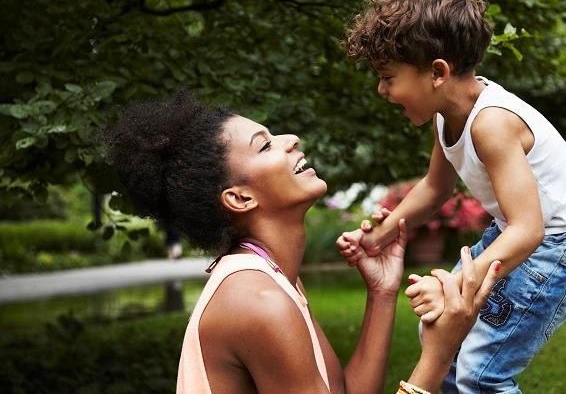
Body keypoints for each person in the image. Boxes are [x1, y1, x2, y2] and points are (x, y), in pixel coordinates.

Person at [104, 91, 500, 394]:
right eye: (264, 145)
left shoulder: (271, 277)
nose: (290, 139)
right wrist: (438, 352)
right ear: (240, 198)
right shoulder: (257, 302)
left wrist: (381, 293)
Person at [337, 0, 566, 393]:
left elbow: (528, 229)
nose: (382, 90)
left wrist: (454, 285)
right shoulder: (448, 117)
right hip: (518, 235)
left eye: (389, 77)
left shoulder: (491, 123)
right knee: (442, 346)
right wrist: (379, 237)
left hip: (560, 246)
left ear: (438, 73)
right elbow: (434, 188)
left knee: (481, 373)